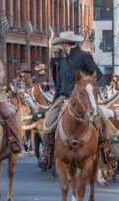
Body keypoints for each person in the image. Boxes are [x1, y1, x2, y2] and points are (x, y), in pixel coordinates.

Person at [39, 31, 115, 169]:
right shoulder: (62, 61)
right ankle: (48, 151)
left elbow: (97, 73)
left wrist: (87, 85)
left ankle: (106, 148)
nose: (61, 47)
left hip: (82, 99)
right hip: (63, 98)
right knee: (49, 120)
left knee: (101, 119)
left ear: (65, 44)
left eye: (62, 44)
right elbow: (59, 83)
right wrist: (54, 102)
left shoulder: (84, 57)